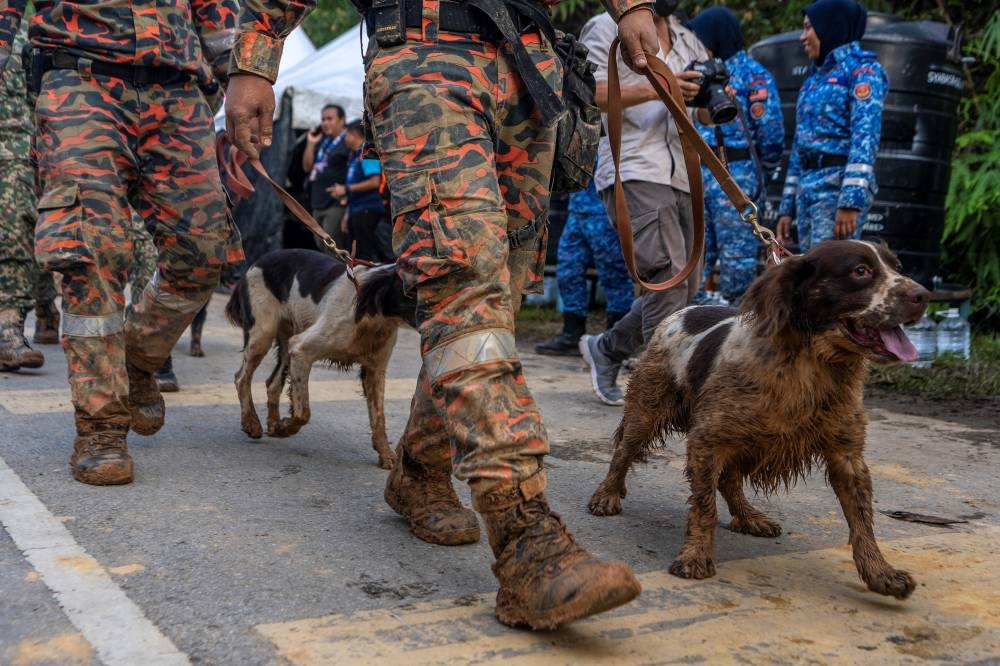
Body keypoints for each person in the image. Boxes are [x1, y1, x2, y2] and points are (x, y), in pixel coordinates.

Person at [226, 0, 664, 631]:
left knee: (499, 306)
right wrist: (256, 56)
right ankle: (524, 538)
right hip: (426, 50)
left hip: (530, 60)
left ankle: (421, 469)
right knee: (463, 284)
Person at [0, 0, 242, 485]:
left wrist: (242, 74)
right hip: (80, 81)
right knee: (89, 252)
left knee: (205, 252)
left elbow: (215, 8)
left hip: (179, 87)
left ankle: (138, 357)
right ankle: (101, 426)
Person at [578, 2, 710, 406]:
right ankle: (659, 395)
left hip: (683, 173)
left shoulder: (689, 39)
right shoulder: (606, 27)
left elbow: (698, 111)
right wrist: (659, 86)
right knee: (667, 276)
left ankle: (607, 348)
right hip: (633, 166)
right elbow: (587, 92)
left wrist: (707, 100)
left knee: (683, 288)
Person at [689, 7, 784, 305]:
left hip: (737, 175)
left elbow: (771, 134)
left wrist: (759, 172)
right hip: (702, 174)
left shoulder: (753, 75)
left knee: (737, 264)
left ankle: (738, 331)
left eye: (698, 38)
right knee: (695, 260)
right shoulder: (698, 74)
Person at [777, 0, 888, 250]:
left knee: (832, 276)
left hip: (836, 187)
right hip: (807, 187)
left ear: (830, 28)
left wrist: (850, 201)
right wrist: (787, 207)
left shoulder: (863, 71)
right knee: (811, 272)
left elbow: (865, 139)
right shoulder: (814, 80)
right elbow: (800, 145)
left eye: (808, 28)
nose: (802, 37)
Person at [0, 21, 57, 371]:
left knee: (19, 233)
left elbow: (40, 94)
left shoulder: (21, 34)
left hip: (17, 151)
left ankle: (9, 330)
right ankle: (45, 306)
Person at [534, 159, 634, 356]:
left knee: (614, 273)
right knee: (568, 270)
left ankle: (616, 341)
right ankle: (572, 334)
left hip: (605, 209)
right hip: (577, 208)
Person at [329, 120, 394, 263]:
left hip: (368, 209)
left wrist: (345, 189)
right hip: (356, 209)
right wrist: (347, 214)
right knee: (356, 253)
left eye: (346, 135)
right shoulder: (354, 156)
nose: (345, 139)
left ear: (353, 135)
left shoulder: (368, 153)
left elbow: (374, 182)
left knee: (366, 253)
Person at [302, 103, 351, 253]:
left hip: (336, 204)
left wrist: (348, 193)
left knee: (334, 249)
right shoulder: (322, 141)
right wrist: (310, 144)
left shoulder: (348, 141)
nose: (325, 123)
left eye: (330, 119)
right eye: (323, 119)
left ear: (342, 120)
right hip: (317, 202)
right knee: (321, 246)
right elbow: (307, 167)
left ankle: (340, 277)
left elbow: (356, 170)